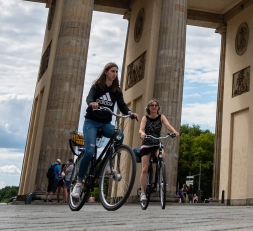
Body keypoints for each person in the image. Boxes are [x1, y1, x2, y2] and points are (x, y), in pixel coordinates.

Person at [70, 62, 137, 200]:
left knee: (119, 134)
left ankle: (108, 163)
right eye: (112, 71)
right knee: (89, 151)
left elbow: (122, 105)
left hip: (105, 123)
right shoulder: (96, 86)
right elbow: (89, 98)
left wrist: (130, 112)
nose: (115, 74)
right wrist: (91, 103)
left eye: (117, 72)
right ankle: (78, 182)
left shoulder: (117, 91)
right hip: (91, 122)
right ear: (106, 72)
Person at [137, 99, 179, 204]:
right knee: (144, 169)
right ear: (149, 108)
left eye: (156, 105)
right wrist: (142, 133)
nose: (154, 107)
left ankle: (160, 176)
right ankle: (142, 192)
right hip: (146, 144)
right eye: (152, 105)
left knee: (162, 156)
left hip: (156, 144)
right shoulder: (145, 118)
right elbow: (141, 129)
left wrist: (174, 131)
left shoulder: (161, 117)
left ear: (158, 107)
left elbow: (168, 125)